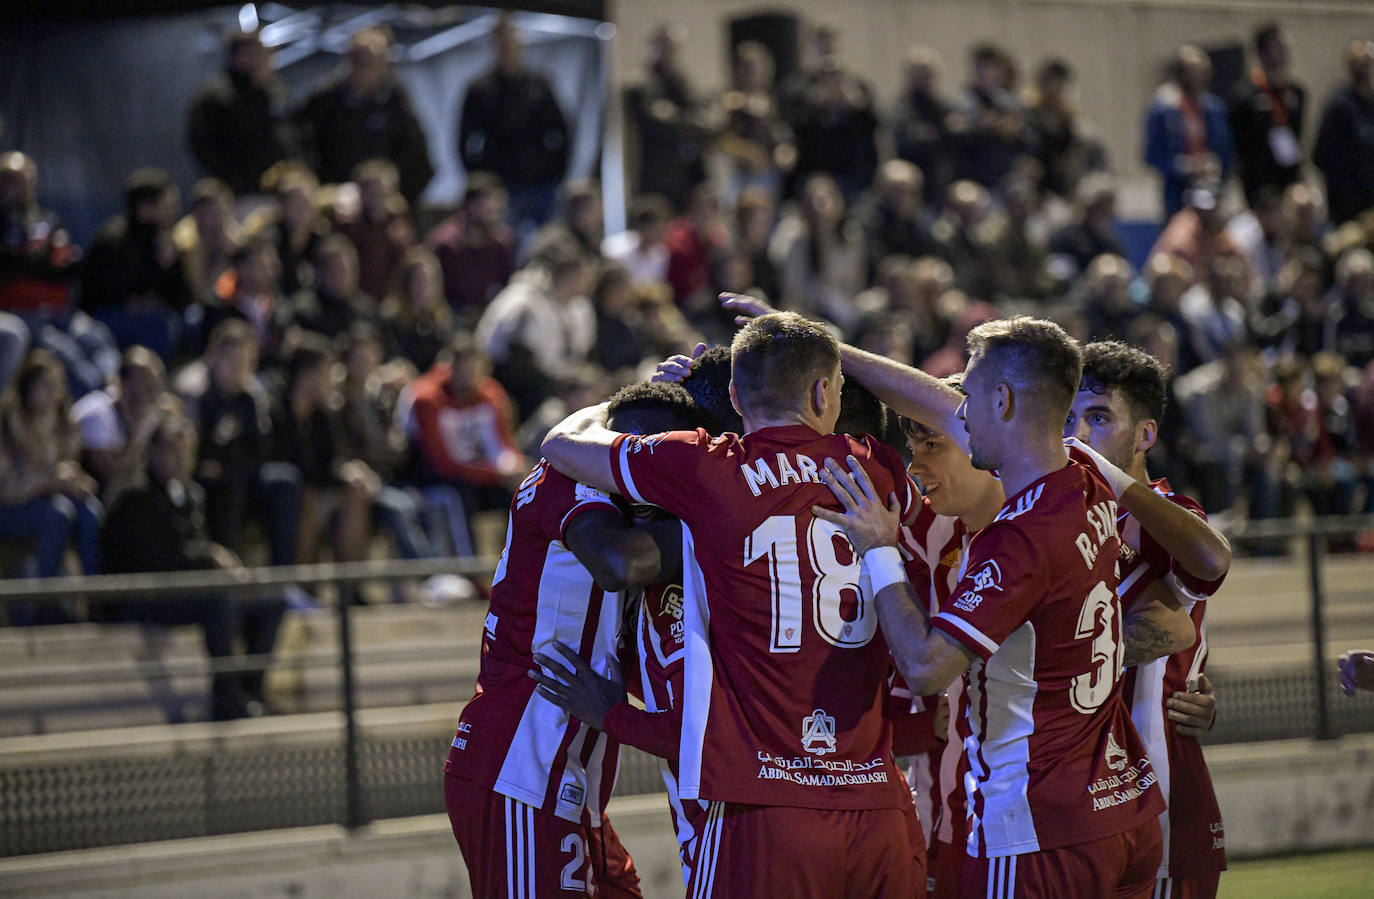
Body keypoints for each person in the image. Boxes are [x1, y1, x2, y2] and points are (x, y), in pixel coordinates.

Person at [541, 312, 925, 898]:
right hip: (877, 807)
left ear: (738, 398)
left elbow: (561, 445)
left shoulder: (707, 467)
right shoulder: (876, 467)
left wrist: (640, 399)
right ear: (824, 392)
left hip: (764, 810)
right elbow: (948, 415)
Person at [806, 315, 1165, 897]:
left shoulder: (1017, 540)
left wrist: (879, 550)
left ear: (1002, 400)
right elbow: (935, 402)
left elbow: (926, 668)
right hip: (1123, 807)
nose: (961, 413)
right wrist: (832, 349)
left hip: (1037, 831)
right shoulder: (1086, 478)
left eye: (969, 397)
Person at [443, 380, 705, 898]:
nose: (644, 468)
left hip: (570, 771)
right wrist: (734, 517)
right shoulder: (573, 477)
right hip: (522, 763)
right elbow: (619, 565)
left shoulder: (625, 507)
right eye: (635, 451)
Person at [1066, 341, 1231, 897]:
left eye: (1098, 418)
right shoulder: (1050, 515)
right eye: (1068, 418)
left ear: (1145, 436)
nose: (1077, 435)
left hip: (1158, 789)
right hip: (1075, 792)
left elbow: (1210, 562)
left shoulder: (1169, 518)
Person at [99, 411, 286, 721]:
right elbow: (156, 559)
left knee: (272, 601)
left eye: (185, 452)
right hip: (144, 596)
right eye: (170, 451)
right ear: (152, 452)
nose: (179, 460)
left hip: (186, 591)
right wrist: (210, 556)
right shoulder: (134, 496)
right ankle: (225, 698)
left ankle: (250, 690)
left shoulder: (191, 494)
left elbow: (194, 547)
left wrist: (225, 571)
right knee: (219, 602)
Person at [295, 26, 433, 205]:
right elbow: (305, 148)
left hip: (385, 201)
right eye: (358, 59)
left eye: (371, 60)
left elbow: (416, 155)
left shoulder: (394, 100)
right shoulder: (323, 101)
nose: (364, 67)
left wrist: (402, 196)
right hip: (336, 198)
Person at [458, 15, 570, 237]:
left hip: (540, 180)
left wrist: (556, 171)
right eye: (502, 43)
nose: (507, 49)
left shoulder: (539, 84)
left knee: (548, 241)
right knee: (504, 242)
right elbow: (464, 138)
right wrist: (479, 177)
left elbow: (561, 130)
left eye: (511, 43)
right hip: (500, 182)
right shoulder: (480, 89)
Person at [0, 350, 101, 590]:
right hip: (9, 509)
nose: (53, 393)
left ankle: (94, 595)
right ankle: (44, 599)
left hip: (42, 500)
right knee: (58, 513)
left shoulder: (60, 425)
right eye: (46, 385)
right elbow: (7, 492)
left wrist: (75, 482)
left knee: (89, 511)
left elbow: (76, 476)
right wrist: (49, 481)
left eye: (57, 386)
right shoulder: (7, 426)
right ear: (27, 388)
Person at [186, 30, 294, 196]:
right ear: (240, 57)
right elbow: (205, 148)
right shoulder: (217, 99)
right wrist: (234, 183)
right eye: (259, 54)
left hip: (279, 188)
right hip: (240, 194)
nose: (267, 60)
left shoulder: (274, 91)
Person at [625, 23, 709, 210]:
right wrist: (688, 123)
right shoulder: (642, 82)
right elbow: (658, 122)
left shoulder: (681, 82)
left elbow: (701, 122)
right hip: (657, 173)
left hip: (686, 173)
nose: (668, 52)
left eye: (672, 48)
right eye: (663, 46)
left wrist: (681, 119)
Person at [1144, 46, 1235, 218]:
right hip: (1177, 193)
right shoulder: (1163, 110)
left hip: (1212, 189)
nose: (1197, 77)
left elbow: (1227, 152)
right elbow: (1151, 155)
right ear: (1179, 74)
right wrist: (1185, 165)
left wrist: (1216, 167)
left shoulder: (1215, 109)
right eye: (1191, 71)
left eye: (1202, 71)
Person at [71, 345, 168, 499]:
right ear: (121, 383)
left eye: (151, 387)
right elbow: (108, 475)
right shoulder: (96, 413)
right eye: (140, 384)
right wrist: (137, 435)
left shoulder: (149, 417)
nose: (144, 395)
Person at [1228, 23, 1306, 209]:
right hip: (1258, 182)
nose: (1284, 51)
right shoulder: (1244, 95)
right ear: (1262, 51)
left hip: (1289, 178)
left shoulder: (1296, 93)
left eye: (1286, 46)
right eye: (1278, 46)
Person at [423, 172, 515, 321]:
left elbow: (507, 287)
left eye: (499, 205)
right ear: (470, 206)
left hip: (488, 318)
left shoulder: (502, 243)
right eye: (490, 206)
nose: (496, 210)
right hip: (449, 319)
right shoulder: (444, 245)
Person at [1313, 40, 1374, 225]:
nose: (1363, 68)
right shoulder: (1339, 106)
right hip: (1349, 207)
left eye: (1366, 62)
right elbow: (1322, 155)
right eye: (1358, 63)